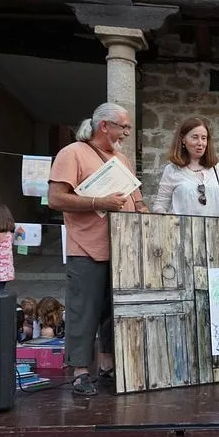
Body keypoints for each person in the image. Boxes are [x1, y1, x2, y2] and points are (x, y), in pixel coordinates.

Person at [48, 102, 148, 397]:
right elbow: (56, 198)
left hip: (122, 248)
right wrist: (97, 203)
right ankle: (80, 372)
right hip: (86, 247)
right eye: (124, 127)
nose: (127, 133)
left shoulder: (123, 160)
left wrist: (143, 213)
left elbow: (137, 200)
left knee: (112, 311)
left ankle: (107, 366)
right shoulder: (71, 153)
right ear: (104, 125)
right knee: (84, 311)